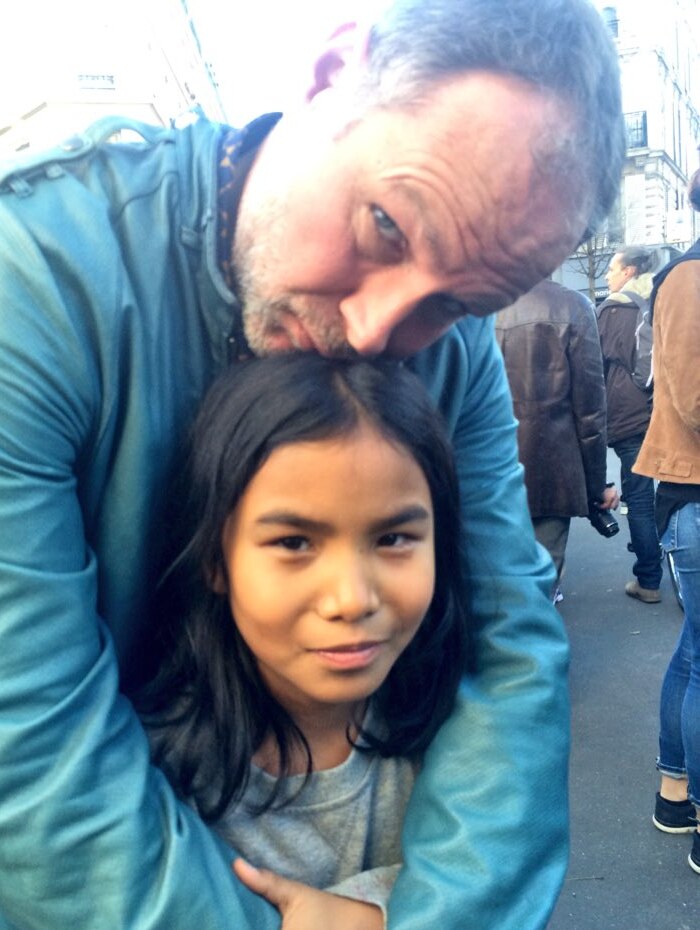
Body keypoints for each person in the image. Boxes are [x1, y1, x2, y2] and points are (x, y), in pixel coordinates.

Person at [0, 2, 625, 928]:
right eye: (384, 225)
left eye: (457, 301)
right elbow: (30, 745)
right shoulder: (34, 280)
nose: (375, 336)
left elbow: (509, 642)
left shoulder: (457, 351)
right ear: (335, 68)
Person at [137, 353, 472, 927]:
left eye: (393, 537)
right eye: (294, 543)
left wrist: (372, 915)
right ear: (216, 562)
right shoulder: (153, 772)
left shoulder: (463, 737)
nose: (351, 598)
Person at [635, 169, 700, 874]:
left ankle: (675, 792)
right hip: (692, 489)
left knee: (694, 652)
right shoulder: (689, 277)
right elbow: (690, 395)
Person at [496, 279, 618, 597]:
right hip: (552, 467)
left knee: (493, 577)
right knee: (542, 574)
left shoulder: (473, 305)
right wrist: (596, 486)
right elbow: (590, 410)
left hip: (487, 469)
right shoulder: (573, 306)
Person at [597, 246, 663, 603]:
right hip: (661, 410)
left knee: (638, 498)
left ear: (629, 271)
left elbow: (594, 368)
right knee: (672, 491)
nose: (607, 274)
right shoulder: (658, 301)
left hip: (626, 415)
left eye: (612, 268)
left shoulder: (610, 311)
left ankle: (649, 580)